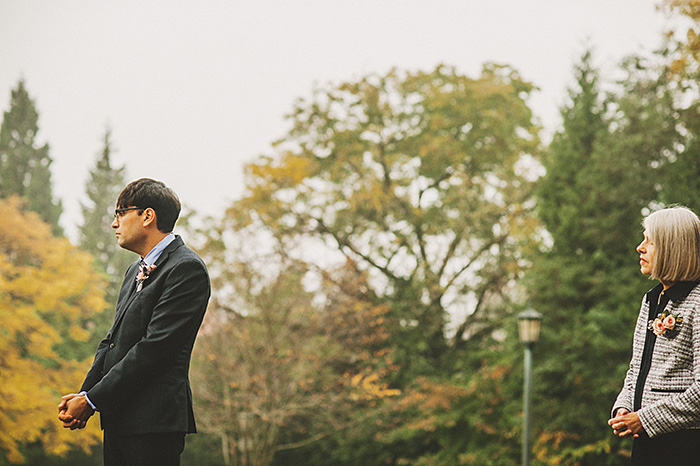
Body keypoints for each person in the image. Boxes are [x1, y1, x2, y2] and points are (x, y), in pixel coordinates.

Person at [58, 178, 211, 466]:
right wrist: (86, 395)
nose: (115, 223)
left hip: (153, 425)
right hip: (118, 418)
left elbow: (153, 349)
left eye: (120, 213)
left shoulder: (186, 269)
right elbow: (111, 341)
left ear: (147, 216)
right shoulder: (133, 271)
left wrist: (92, 401)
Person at [609, 206, 700, 465]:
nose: (640, 247)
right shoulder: (651, 299)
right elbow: (637, 367)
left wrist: (645, 419)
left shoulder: (698, 301)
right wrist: (625, 406)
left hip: (685, 445)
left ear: (673, 248)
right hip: (648, 444)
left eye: (650, 241)